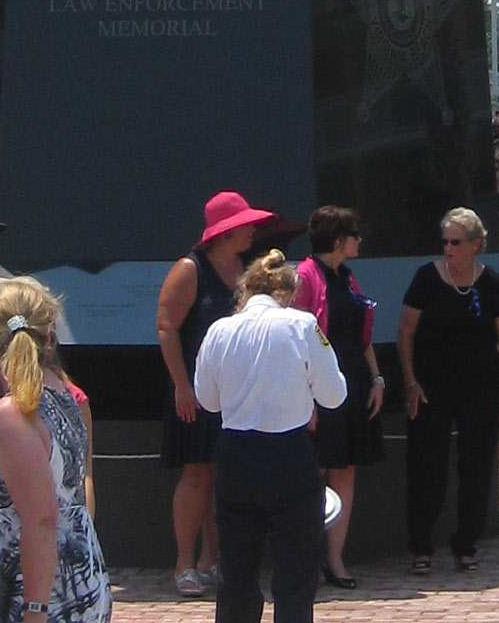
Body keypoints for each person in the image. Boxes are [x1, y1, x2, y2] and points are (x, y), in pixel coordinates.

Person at [195, 251, 348, 623]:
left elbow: (207, 401)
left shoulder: (220, 330)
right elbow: (335, 395)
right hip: (288, 454)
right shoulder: (301, 324)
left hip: (236, 455)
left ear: (246, 290)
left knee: (236, 572)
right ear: (288, 294)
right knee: (295, 575)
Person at [0, 278, 109, 623]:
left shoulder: (12, 414)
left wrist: (34, 610)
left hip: (30, 595)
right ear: (49, 338)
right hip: (71, 581)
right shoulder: (65, 396)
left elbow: (41, 518)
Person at [156, 188, 280, 597]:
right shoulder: (189, 269)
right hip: (194, 389)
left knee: (220, 474)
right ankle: (184, 565)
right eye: (247, 225)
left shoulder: (245, 268)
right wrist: (181, 387)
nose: (253, 231)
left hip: (234, 395)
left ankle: (213, 560)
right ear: (226, 232)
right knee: (196, 473)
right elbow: (166, 326)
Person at [396, 207, 499, 574]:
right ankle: (421, 546)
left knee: (477, 465)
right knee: (427, 466)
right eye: (445, 241)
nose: (449, 248)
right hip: (431, 388)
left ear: (476, 244)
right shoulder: (426, 279)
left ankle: (467, 544)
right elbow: (406, 333)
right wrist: (410, 382)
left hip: (480, 388)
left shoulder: (492, 283)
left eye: (456, 242)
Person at [292, 206, 383, 585]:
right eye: (353, 234)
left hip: (352, 382)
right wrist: (305, 398)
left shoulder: (347, 277)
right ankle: (306, 560)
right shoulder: (305, 277)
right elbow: (295, 339)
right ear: (337, 240)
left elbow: (362, 335)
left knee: (345, 470)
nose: (359, 241)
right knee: (314, 472)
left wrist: (378, 379)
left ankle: (335, 559)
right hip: (316, 388)